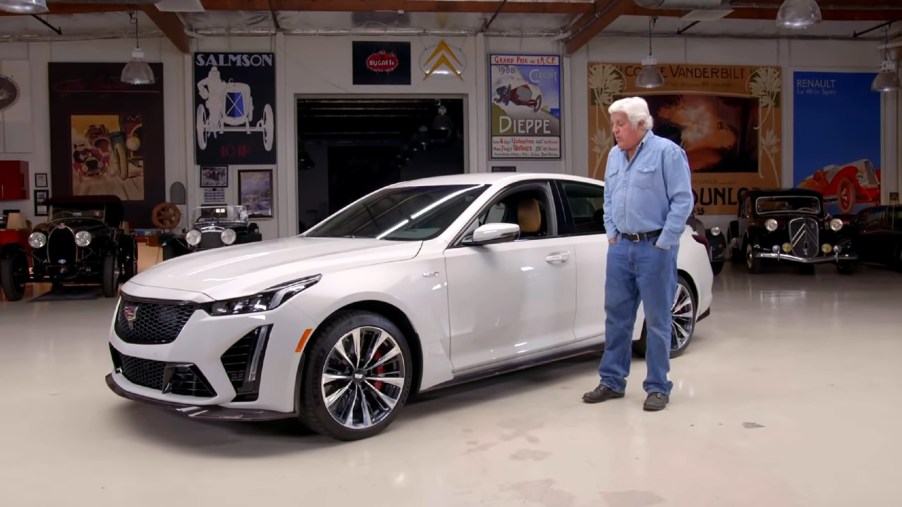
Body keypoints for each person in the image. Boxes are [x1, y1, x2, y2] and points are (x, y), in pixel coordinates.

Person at [582, 96, 693, 412]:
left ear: (641, 125)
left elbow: (683, 201)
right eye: (613, 124)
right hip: (621, 249)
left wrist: (664, 242)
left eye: (620, 124)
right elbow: (607, 196)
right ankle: (612, 381)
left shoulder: (667, 154)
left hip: (653, 247)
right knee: (616, 318)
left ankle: (658, 387)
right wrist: (612, 234)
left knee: (657, 321)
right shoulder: (614, 156)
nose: (615, 131)